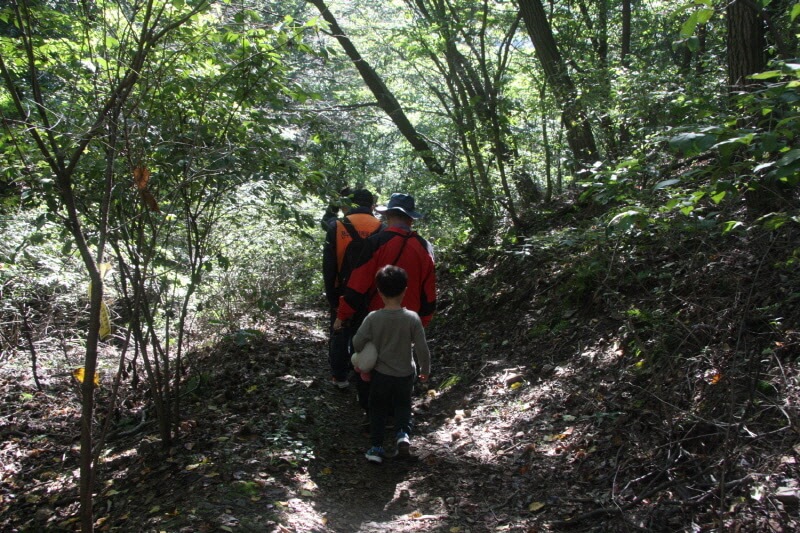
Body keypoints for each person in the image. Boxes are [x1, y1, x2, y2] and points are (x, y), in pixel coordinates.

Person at [333, 192, 436, 416]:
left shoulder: (375, 243)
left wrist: (342, 315)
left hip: (375, 317)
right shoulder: (425, 247)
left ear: (388, 215)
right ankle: (397, 413)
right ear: (411, 219)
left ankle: (372, 413)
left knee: (369, 364)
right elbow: (429, 292)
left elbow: (357, 284)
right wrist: (424, 321)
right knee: (401, 364)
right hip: (409, 319)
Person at [352, 265, 430, 463]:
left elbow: (357, 342)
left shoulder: (373, 318)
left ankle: (376, 448)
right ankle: (402, 435)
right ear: (405, 290)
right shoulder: (412, 318)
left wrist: (369, 346)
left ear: (379, 291)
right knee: (403, 405)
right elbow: (422, 348)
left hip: (381, 374)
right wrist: (425, 370)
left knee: (377, 408)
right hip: (406, 373)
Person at [322, 188, 382, 390]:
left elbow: (329, 267)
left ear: (350, 204)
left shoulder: (337, 226)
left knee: (340, 333)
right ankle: (363, 375)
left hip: (342, 291)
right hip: (370, 293)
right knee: (366, 334)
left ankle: (340, 377)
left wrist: (332, 298)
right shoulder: (381, 228)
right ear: (372, 205)